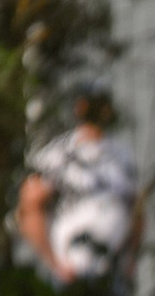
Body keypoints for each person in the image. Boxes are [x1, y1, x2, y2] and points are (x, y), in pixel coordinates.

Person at [18, 85, 139, 284]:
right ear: (80, 108)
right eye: (96, 104)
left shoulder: (121, 155)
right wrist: (54, 265)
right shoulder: (59, 155)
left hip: (111, 271)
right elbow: (29, 207)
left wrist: (130, 259)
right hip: (70, 271)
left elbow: (136, 209)